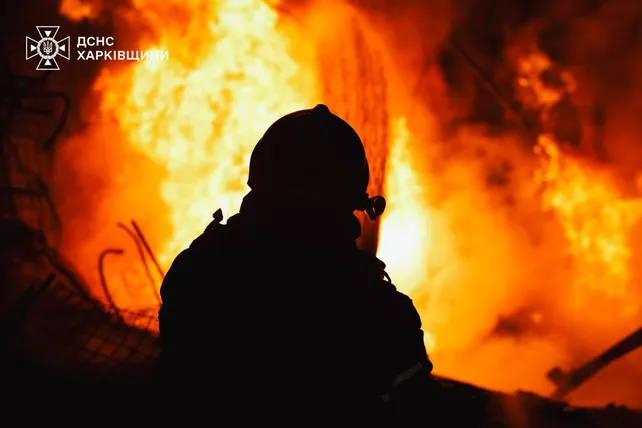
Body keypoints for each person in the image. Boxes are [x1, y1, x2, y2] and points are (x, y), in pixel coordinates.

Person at [157, 104, 434, 423]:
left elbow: (176, 384)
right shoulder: (378, 309)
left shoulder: (202, 267)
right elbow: (412, 408)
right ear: (350, 200)